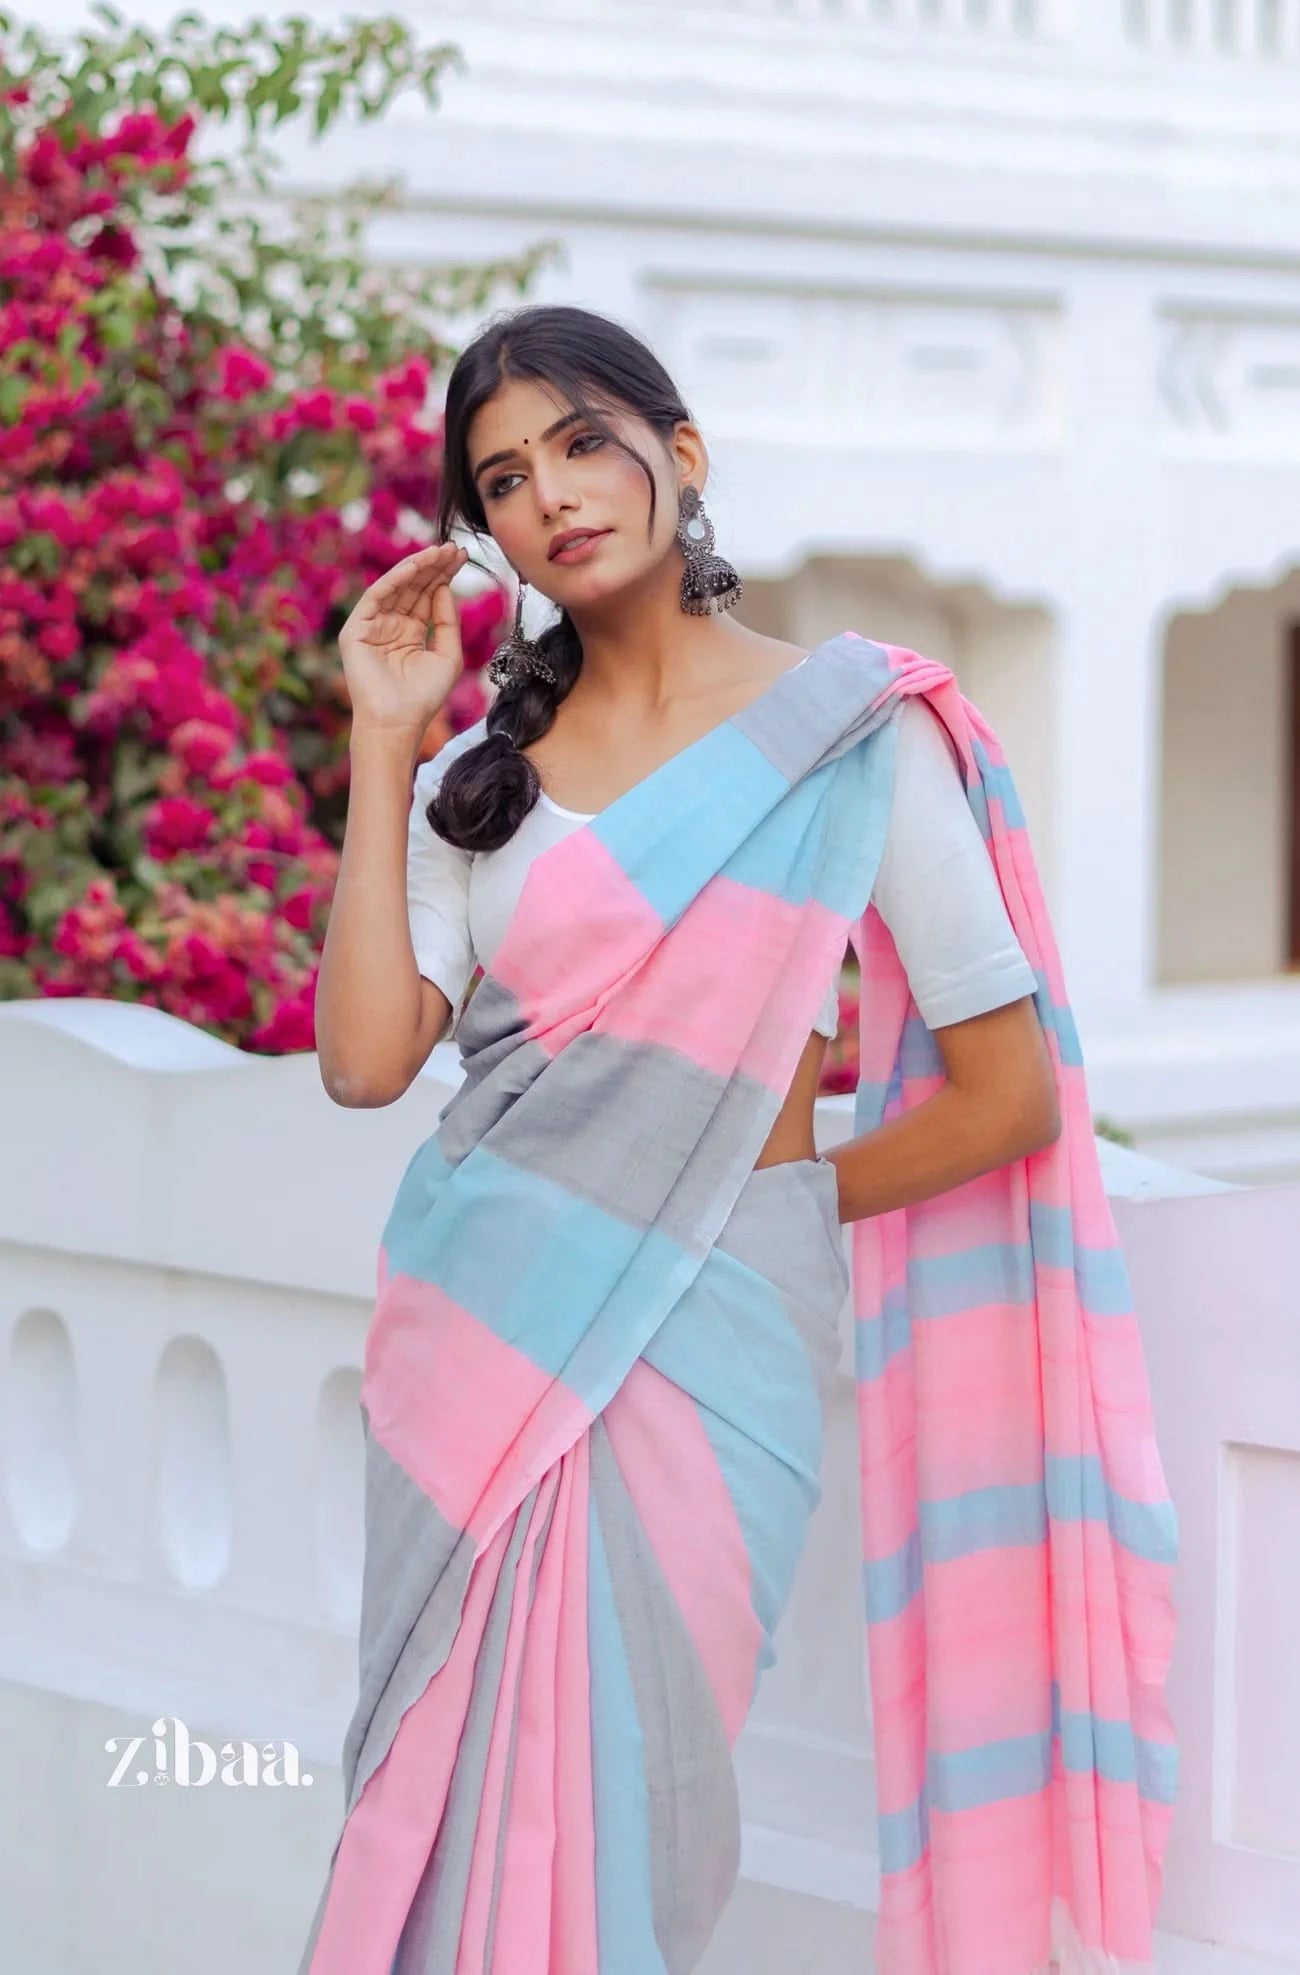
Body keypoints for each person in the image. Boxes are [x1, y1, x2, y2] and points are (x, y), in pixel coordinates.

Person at [304, 305, 1177, 1975]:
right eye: (501, 479)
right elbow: (362, 1062)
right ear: (483, 534)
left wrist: (745, 1198)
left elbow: (1011, 1097)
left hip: (720, 1344)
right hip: (475, 1336)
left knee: (652, 1812)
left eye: (580, 442)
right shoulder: (476, 782)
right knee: (433, 1800)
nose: (550, 493)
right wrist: (378, 735)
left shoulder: (852, 736)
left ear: (679, 454)